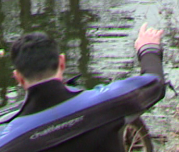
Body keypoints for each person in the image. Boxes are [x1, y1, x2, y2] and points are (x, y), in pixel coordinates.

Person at [2, 24, 165, 151]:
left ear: (19, 78)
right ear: (62, 62)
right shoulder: (107, 103)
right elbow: (154, 82)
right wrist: (148, 47)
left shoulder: (7, 140)